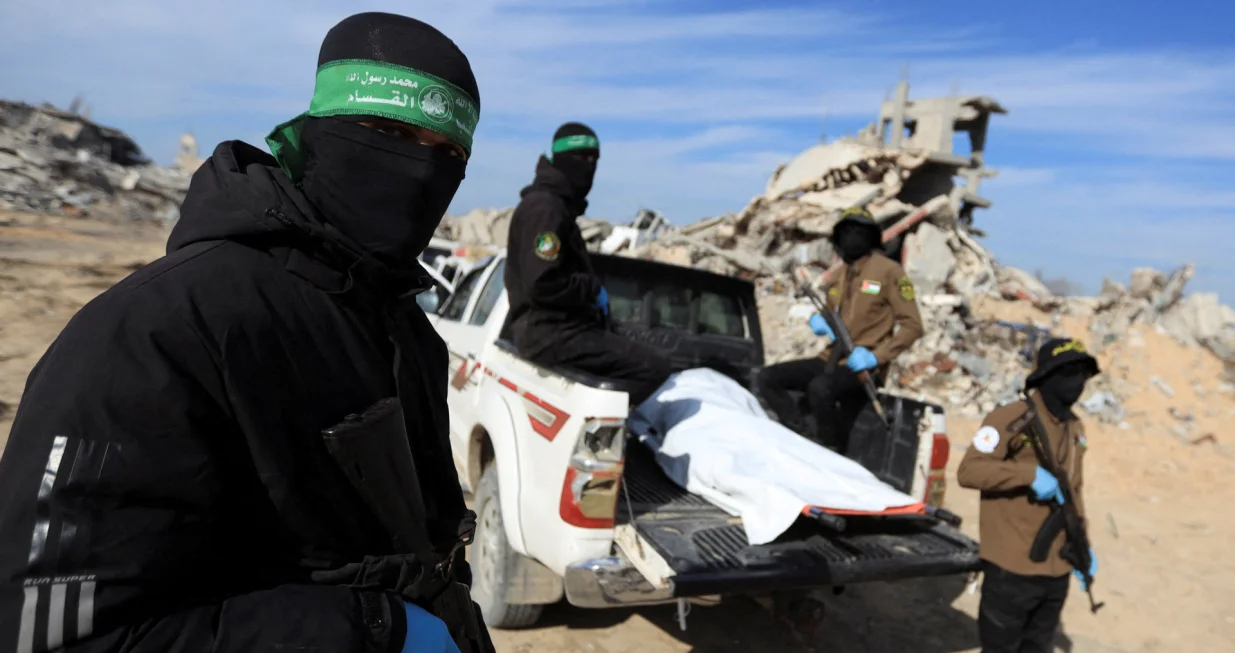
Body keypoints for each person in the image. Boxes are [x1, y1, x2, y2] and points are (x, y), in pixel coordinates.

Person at [0, 13, 493, 653]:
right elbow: (52, 631)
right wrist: (374, 632)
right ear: (322, 132)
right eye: (391, 133)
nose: (423, 172)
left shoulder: (403, 327)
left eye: (449, 154)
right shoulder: (154, 330)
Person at [503, 123, 670, 406]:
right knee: (654, 367)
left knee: (642, 346)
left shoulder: (557, 207)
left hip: (559, 327)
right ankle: (603, 430)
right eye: (581, 157)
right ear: (559, 158)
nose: (589, 166)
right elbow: (542, 283)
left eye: (594, 160)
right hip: (549, 332)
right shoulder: (546, 209)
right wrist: (591, 288)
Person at [957, 338, 1101, 653]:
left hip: (1057, 566)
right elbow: (969, 471)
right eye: (1068, 372)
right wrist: (1027, 475)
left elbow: (1075, 491)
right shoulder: (1010, 418)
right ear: (1046, 376)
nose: (1077, 382)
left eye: (1082, 373)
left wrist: (1083, 545)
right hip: (1012, 565)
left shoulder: (1075, 428)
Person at [754, 207, 923, 452]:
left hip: (863, 365)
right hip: (830, 357)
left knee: (820, 389)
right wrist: (820, 321)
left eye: (858, 232)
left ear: (871, 237)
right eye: (846, 232)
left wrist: (876, 356)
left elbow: (913, 326)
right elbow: (830, 311)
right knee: (767, 378)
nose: (851, 238)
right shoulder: (840, 274)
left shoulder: (890, 272)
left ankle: (830, 448)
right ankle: (801, 435)